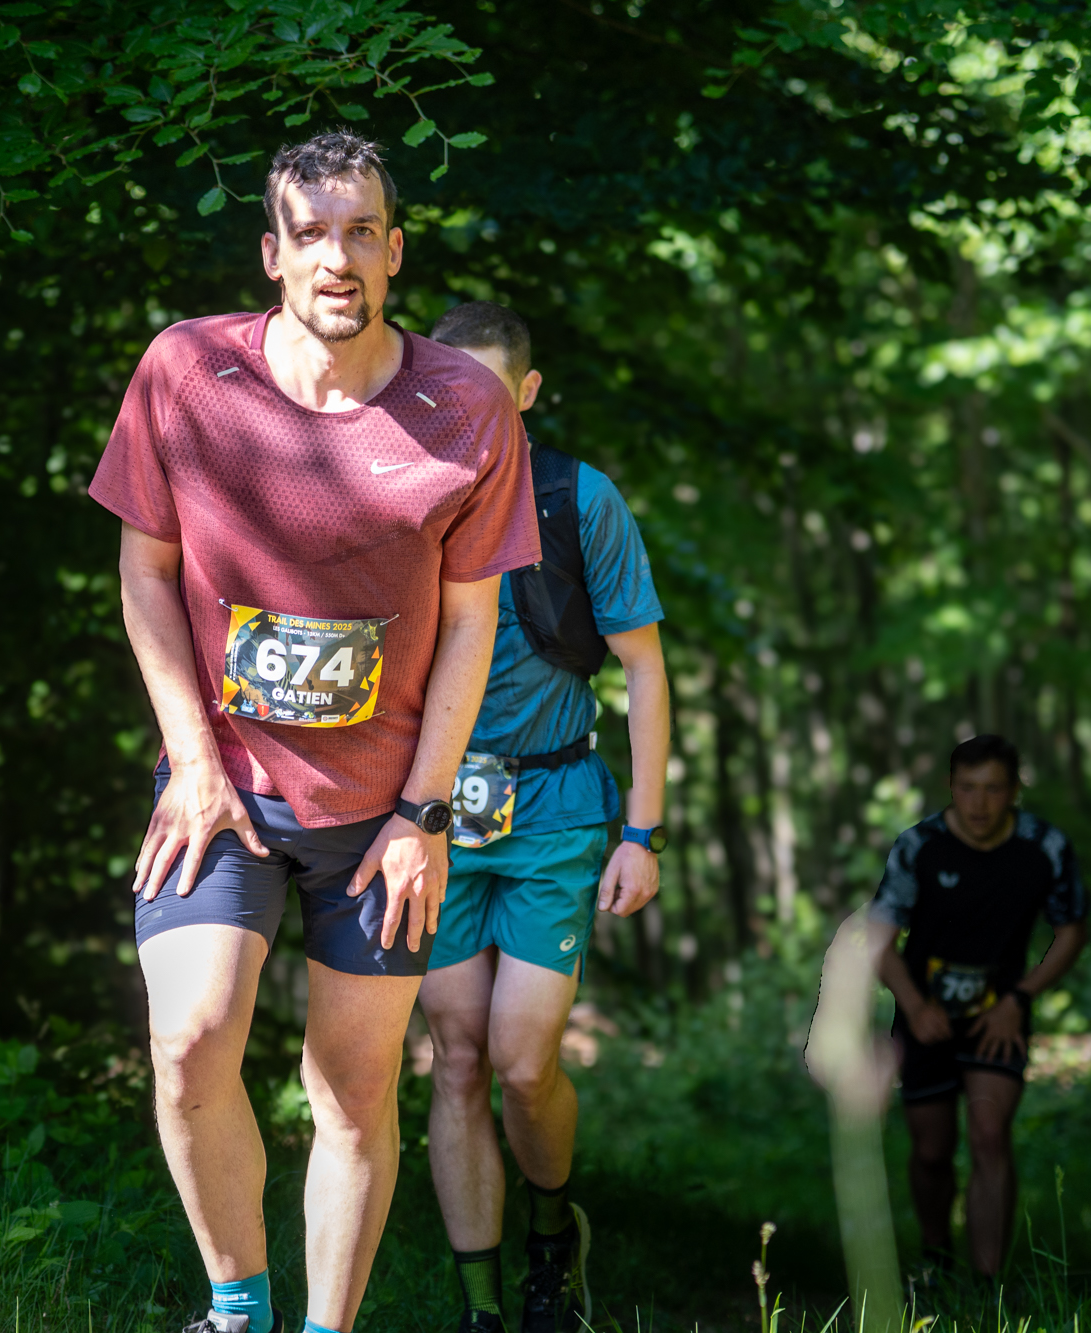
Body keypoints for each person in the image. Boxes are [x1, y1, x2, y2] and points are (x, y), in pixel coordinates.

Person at [88, 136, 539, 1333]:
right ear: (271, 254)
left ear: (393, 253)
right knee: (188, 1040)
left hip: (381, 815)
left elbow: (470, 623)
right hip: (223, 788)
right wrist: (191, 762)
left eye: (359, 233)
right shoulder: (187, 371)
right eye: (310, 233)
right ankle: (236, 1307)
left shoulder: (465, 406)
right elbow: (144, 574)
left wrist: (423, 814)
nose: (334, 257)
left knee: (351, 1090)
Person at [419, 302, 671, 1332]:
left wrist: (641, 834)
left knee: (523, 1062)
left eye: (491, 390)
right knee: (457, 1056)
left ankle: (551, 1236)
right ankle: (483, 1305)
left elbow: (644, 670)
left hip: (555, 808)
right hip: (430, 818)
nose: (471, 409)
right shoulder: (400, 492)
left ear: (524, 392)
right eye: (452, 388)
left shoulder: (578, 499)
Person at [865, 734, 1089, 1281]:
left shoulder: (1044, 847)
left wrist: (1020, 997)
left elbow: (1071, 931)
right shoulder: (919, 846)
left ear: (1014, 791)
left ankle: (988, 1285)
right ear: (950, 787)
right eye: (967, 788)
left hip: (999, 1016)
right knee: (932, 1150)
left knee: (990, 1135)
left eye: (993, 789)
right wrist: (915, 1007)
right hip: (927, 1017)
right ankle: (936, 1257)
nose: (979, 803)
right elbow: (878, 940)